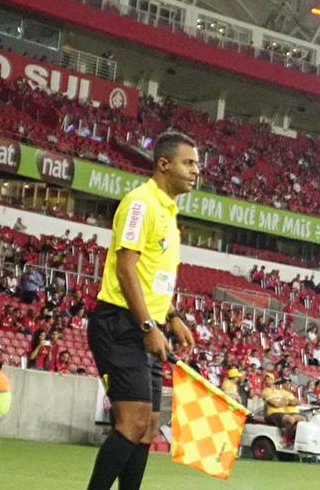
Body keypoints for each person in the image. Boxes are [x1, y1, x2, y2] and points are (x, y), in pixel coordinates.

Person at [83, 131, 199, 490]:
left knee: (148, 426)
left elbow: (152, 277)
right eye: (189, 163)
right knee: (131, 423)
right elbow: (125, 267)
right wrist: (149, 325)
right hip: (121, 322)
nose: (197, 171)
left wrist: (173, 316)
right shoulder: (140, 203)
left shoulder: (168, 211)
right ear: (163, 164)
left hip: (146, 324)